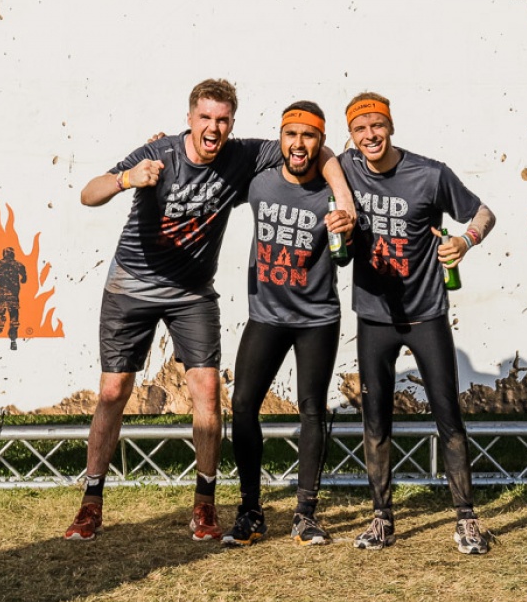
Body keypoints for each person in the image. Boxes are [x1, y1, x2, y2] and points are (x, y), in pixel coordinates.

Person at [64, 79, 352, 543]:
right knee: (114, 391)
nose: (213, 128)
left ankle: (205, 504)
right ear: (189, 119)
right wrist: (126, 180)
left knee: (207, 389)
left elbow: (319, 150)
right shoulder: (158, 153)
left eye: (222, 120)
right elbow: (88, 193)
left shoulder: (243, 155)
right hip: (131, 285)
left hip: (192, 293)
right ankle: (91, 503)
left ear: (231, 123)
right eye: (205, 118)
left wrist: (345, 201)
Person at [338, 91, 497, 555]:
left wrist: (466, 241)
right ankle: (382, 519)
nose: (370, 135)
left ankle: (466, 519)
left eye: (377, 125)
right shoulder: (345, 168)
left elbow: (483, 212)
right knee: (375, 420)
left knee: (448, 415)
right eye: (360, 129)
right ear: (351, 135)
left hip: (426, 313)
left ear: (390, 126)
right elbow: (309, 157)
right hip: (374, 316)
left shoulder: (429, 173)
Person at [222, 102, 354, 548]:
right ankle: (250, 510)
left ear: (321, 142)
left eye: (309, 135)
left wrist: (347, 229)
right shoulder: (259, 182)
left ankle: (305, 514)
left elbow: (346, 255)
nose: (298, 144)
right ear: (280, 137)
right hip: (266, 315)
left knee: (312, 409)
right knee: (243, 403)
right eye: (291, 134)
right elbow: (210, 177)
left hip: (317, 318)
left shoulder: (334, 190)